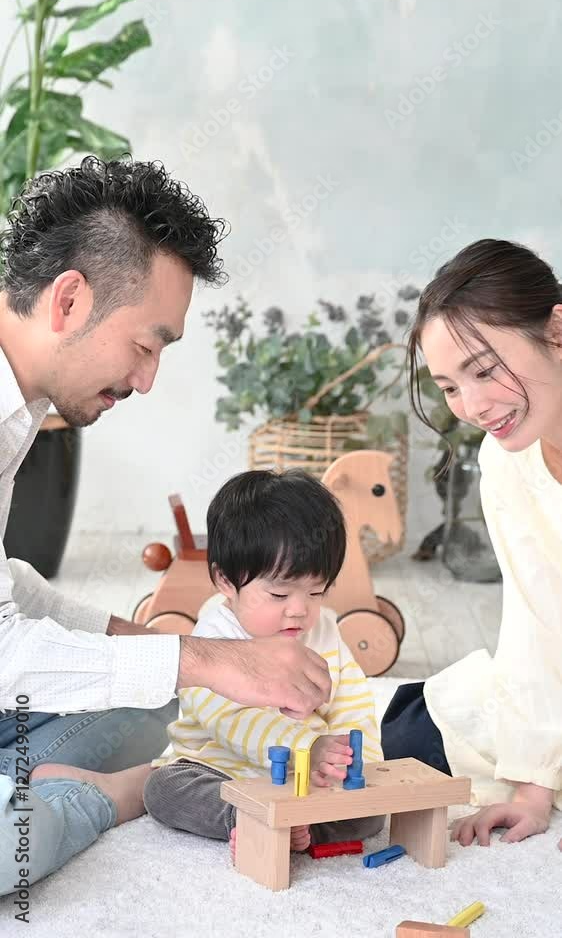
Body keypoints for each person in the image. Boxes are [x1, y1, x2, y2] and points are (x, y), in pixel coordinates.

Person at [0, 157, 331, 896]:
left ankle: (45, 785)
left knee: (162, 704)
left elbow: (8, 586)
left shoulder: (15, 413)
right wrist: (210, 660)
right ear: (69, 300)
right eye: (146, 346)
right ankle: (98, 798)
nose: (146, 380)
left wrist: (172, 649)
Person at [381, 238, 562, 848]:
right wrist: (532, 790)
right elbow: (537, 617)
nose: (474, 406)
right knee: (410, 731)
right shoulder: (507, 460)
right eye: (450, 387)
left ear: (556, 330)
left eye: (484, 370)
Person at [142, 469, 384, 854]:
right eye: (279, 595)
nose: (299, 610)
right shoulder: (212, 639)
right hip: (222, 770)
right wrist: (308, 747)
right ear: (225, 581)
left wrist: (358, 766)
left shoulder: (324, 631)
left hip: (304, 782)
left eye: (316, 592)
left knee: (371, 814)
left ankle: (298, 828)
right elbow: (230, 721)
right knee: (163, 789)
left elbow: (353, 704)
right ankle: (245, 817)